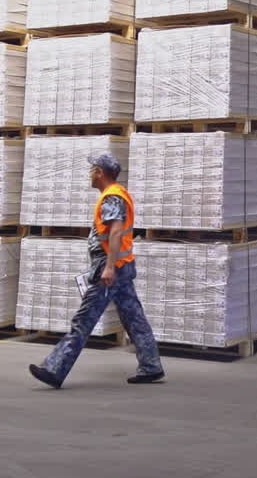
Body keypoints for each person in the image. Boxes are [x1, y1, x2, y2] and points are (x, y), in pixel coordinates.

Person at [29, 152, 164, 389]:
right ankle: (151, 366)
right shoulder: (116, 195)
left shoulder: (112, 197)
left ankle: (54, 369)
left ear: (100, 172)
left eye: (92, 169)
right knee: (134, 318)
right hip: (121, 267)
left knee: (84, 319)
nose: (90, 173)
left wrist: (109, 267)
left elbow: (115, 231)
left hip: (111, 269)